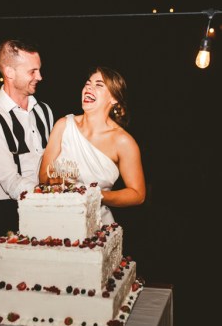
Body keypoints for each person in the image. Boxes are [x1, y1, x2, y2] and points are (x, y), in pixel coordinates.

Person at [0, 38, 53, 256]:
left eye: (39, 70)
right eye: (32, 71)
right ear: (9, 72)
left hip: (46, 208)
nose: (40, 77)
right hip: (7, 213)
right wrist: (52, 202)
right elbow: (11, 182)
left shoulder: (44, 111)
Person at [39, 66, 145, 224]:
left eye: (99, 85)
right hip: (55, 218)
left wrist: (95, 195)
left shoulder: (123, 141)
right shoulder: (63, 125)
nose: (89, 87)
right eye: (88, 83)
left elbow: (137, 194)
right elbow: (43, 176)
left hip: (96, 223)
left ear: (114, 98)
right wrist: (55, 183)